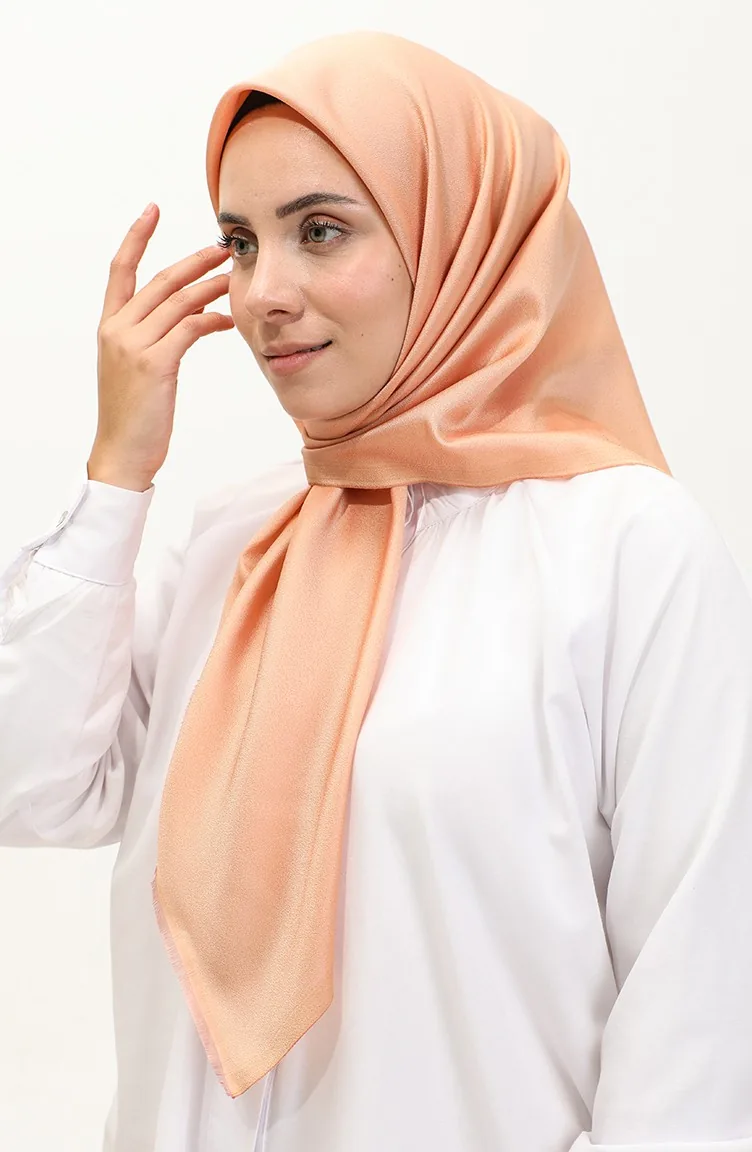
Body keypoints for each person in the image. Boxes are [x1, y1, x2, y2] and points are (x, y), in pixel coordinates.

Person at [2, 28, 752, 1152]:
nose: (263, 293)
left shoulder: (623, 549)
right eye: (241, 243)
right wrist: (118, 475)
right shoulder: (234, 545)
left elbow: (697, 1011)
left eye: (321, 230)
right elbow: (29, 786)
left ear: (457, 236)